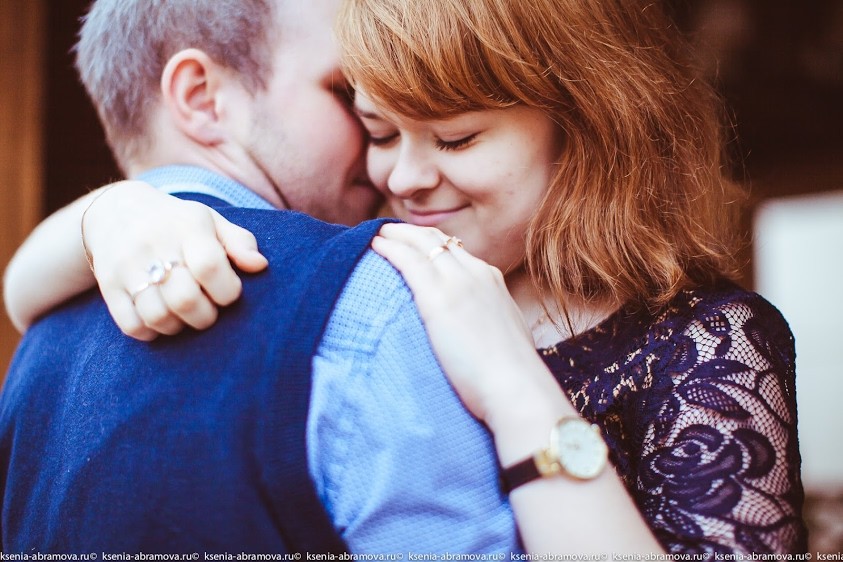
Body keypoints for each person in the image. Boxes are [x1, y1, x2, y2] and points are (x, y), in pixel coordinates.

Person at [4, 0, 807, 556]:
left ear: (582, 126)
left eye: (455, 139)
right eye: (379, 131)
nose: (402, 177)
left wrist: (513, 386)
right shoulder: (366, 281)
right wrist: (109, 215)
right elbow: (24, 293)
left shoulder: (707, 343)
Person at [0, 0, 521, 554]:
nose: (380, 132)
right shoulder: (370, 297)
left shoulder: (34, 348)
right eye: (344, 90)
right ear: (202, 98)